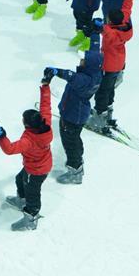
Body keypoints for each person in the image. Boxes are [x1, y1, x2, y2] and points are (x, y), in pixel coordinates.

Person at [43, 23, 104, 186]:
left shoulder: (84, 80)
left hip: (72, 116)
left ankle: (75, 171)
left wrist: (56, 71)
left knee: (70, 143)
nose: (82, 60)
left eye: (84, 60)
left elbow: (70, 76)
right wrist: (95, 33)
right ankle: (78, 161)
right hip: (78, 113)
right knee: (75, 139)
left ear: (89, 65)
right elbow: (95, 49)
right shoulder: (95, 71)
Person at [0, 80, 53, 231]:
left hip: (35, 171)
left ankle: (31, 217)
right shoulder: (45, 124)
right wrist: (45, 87)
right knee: (19, 179)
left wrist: (2, 137)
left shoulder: (28, 141)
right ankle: (22, 200)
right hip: (42, 165)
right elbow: (46, 107)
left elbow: (9, 149)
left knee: (32, 192)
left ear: (27, 125)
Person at [92, 0, 139, 130]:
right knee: (110, 88)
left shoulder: (111, 33)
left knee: (103, 91)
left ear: (110, 21)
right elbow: (126, 8)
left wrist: (99, 27)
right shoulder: (124, 23)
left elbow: (106, 32)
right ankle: (108, 112)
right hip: (118, 63)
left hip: (109, 65)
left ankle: (99, 117)